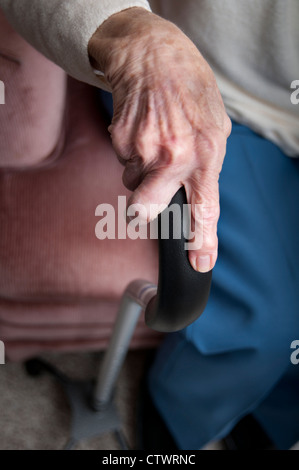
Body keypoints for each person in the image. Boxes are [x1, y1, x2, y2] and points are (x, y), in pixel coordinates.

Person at [1, 0, 299, 449]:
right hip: (212, 91)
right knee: (266, 325)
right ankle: (178, 425)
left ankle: (271, 420)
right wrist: (135, 36)